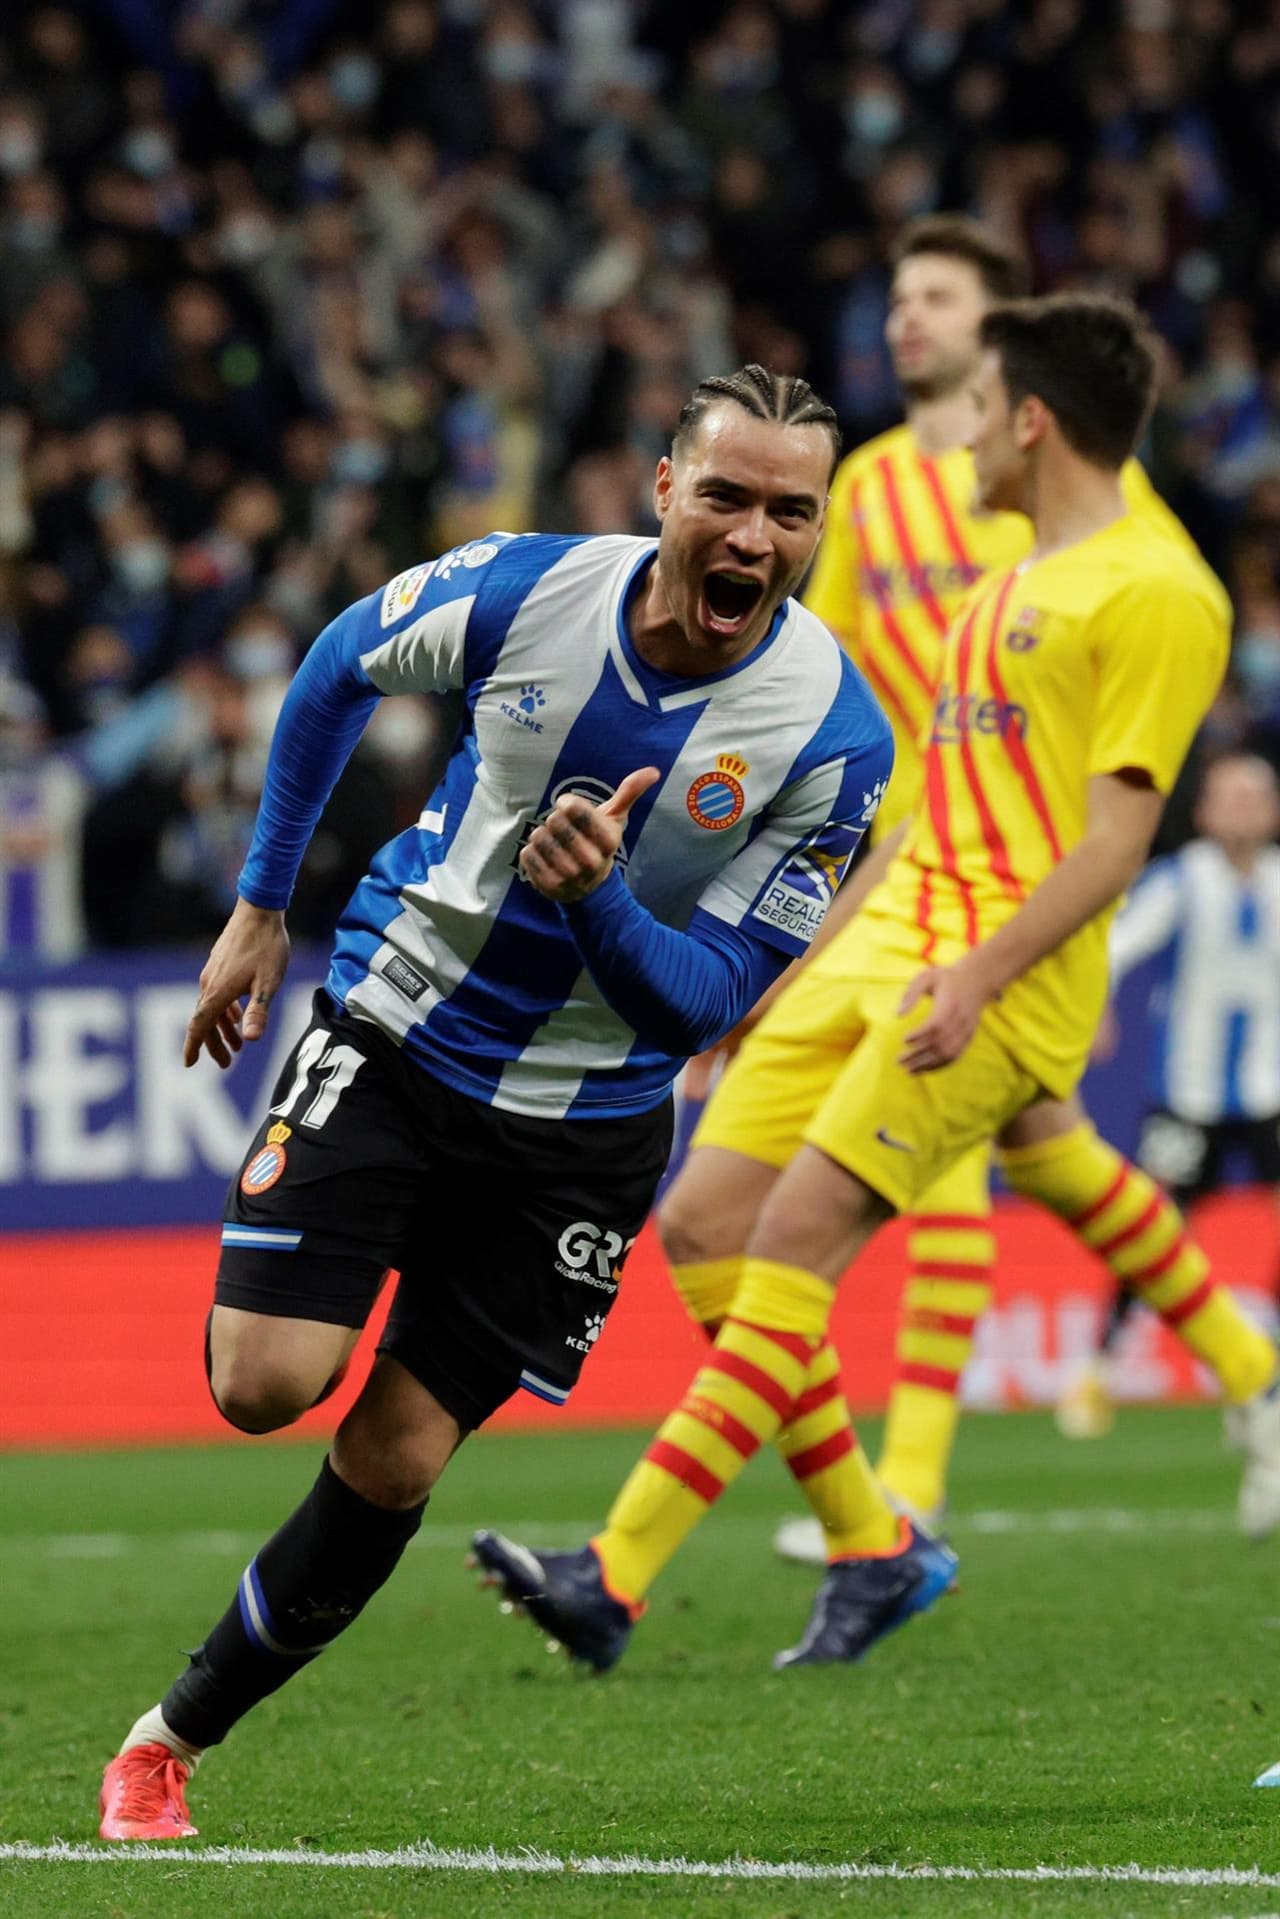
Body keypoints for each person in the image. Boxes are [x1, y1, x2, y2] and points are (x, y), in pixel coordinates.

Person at [96, 364, 895, 1842]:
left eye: (793, 510)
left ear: (819, 524)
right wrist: (262, 904)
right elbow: (339, 661)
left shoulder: (834, 738)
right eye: (725, 495)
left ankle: (167, 1740)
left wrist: (594, 904)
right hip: (399, 1028)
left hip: (585, 1136)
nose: (756, 535)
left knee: (393, 1453)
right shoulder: (527, 593)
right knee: (263, 1383)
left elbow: (708, 1000)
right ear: (664, 489)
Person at [471, 293, 1279, 1678]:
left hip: (986, 982)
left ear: (1026, 417)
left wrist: (979, 972)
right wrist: (779, 980)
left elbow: (1114, 843)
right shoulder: (1007, 581)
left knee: (791, 1244)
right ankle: (874, 1538)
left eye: (973, 409)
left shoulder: (1157, 589)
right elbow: (921, 819)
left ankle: (614, 1571)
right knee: (708, 1218)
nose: (950, 438)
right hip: (884, 940)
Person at [700, 214, 1268, 1563]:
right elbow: (809, 663)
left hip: (1007, 863)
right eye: (896, 297)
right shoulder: (873, 484)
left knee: (936, 1148)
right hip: (893, 851)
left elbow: (1140, 658)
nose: (906, 319)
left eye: (938, 297)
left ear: (1001, 329)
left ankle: (906, 1490)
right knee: (1039, 1145)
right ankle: (1252, 1369)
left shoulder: (1082, 498)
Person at [1058, 753, 1280, 1446]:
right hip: (1188, 1095)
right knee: (1152, 1230)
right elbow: (1114, 946)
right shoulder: (1180, 881)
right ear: (1205, 811)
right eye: (1229, 796)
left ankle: (1262, 1372)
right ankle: (1100, 1367)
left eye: (1256, 796)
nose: (1242, 808)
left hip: (1270, 1089)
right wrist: (1096, 1008)